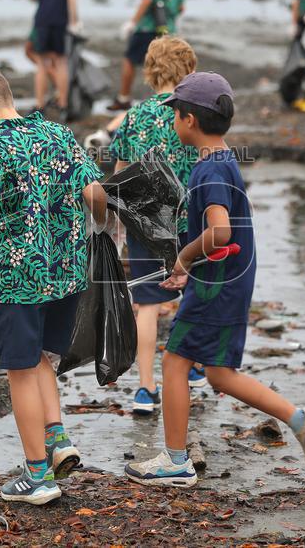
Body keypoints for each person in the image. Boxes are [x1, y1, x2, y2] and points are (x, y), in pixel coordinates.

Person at [124, 71, 305, 487]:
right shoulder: (223, 159)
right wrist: (192, 269)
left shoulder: (210, 172)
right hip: (227, 280)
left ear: (189, 121)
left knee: (175, 362)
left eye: (175, 116)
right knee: (218, 373)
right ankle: (301, 420)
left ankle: (176, 461)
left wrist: (183, 258)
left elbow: (220, 231)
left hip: (219, 287)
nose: (173, 123)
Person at [0, 67, 107, 505]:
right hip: (69, 273)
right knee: (40, 355)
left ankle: (37, 475)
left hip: (24, 278)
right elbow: (94, 191)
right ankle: (57, 438)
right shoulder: (56, 133)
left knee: (19, 369)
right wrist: (100, 225)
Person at [108, 36, 206, 414]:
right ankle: (193, 366)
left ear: (150, 71)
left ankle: (145, 389)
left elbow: (118, 173)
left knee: (147, 305)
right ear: (188, 70)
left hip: (145, 224)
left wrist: (117, 221)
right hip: (188, 222)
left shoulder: (134, 116)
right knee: (191, 295)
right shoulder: (189, 111)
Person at [110, 0, 185, 112]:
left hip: (147, 28)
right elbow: (181, 7)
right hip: (167, 28)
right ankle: (167, 99)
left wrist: (132, 22)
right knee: (164, 63)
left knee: (130, 60)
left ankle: (124, 97)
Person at [26, 0, 81, 118]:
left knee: (42, 63)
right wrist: (74, 21)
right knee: (61, 62)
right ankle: (63, 105)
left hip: (42, 20)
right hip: (61, 21)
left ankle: (40, 105)